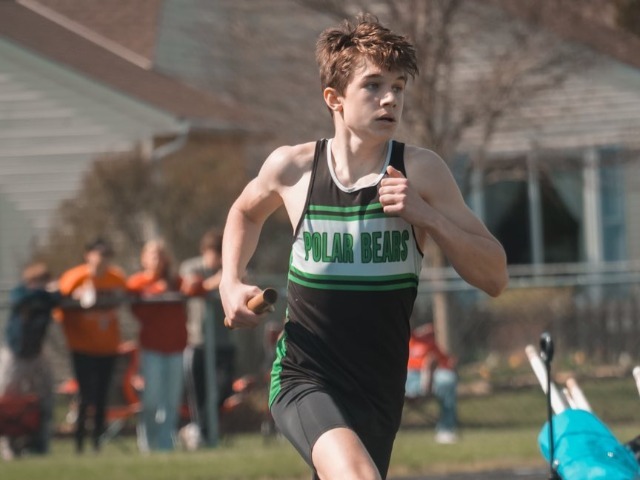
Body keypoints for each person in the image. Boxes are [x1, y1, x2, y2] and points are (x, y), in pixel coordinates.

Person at [219, 14, 508, 480]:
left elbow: (495, 276)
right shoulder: (294, 168)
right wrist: (230, 281)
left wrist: (427, 216)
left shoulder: (422, 172)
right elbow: (245, 212)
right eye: (373, 85)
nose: (390, 98)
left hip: (378, 390)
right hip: (304, 375)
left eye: (398, 87)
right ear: (334, 98)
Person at [55, 237, 127, 453]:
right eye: (99, 254)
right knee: (85, 395)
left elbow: (126, 297)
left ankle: (97, 442)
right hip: (82, 346)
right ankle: (79, 442)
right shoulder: (74, 278)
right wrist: (75, 300)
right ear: (88, 255)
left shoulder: (116, 278)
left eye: (106, 255)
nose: (102, 259)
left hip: (108, 346)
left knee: (102, 395)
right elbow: (59, 310)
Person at [127, 239, 188, 451]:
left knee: (172, 399)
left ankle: (166, 443)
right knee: (151, 398)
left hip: (176, 347)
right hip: (151, 348)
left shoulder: (175, 281)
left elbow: (192, 289)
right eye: (153, 254)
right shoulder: (137, 282)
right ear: (144, 258)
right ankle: (148, 441)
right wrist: (157, 292)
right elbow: (139, 313)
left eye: (162, 254)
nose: (158, 259)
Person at [179, 228, 235, 441]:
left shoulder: (230, 268)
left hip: (224, 342)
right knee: (199, 394)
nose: (218, 259)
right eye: (215, 253)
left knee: (223, 389)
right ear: (205, 251)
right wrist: (217, 281)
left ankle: (201, 430)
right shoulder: (191, 267)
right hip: (198, 342)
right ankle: (202, 434)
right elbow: (191, 288)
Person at [0, 262, 60, 458]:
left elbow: (58, 298)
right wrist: (41, 291)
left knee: (46, 397)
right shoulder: (22, 292)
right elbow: (19, 298)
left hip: (37, 353)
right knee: (7, 400)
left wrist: (50, 292)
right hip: (15, 353)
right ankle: (8, 446)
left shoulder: (47, 298)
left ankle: (41, 444)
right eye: (39, 281)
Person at [405, 323, 459, 444]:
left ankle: (446, 430)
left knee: (448, 380)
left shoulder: (430, 344)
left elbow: (445, 362)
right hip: (408, 374)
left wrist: (451, 364)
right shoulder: (404, 339)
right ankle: (422, 386)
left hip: (432, 375)